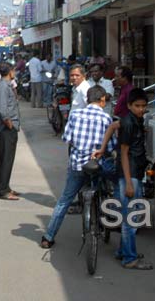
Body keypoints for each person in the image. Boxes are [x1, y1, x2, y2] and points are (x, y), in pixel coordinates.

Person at [41, 85, 117, 249]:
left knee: (64, 200)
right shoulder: (106, 119)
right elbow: (111, 146)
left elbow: (67, 138)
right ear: (102, 100)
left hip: (77, 166)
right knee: (112, 184)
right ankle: (110, 214)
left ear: (87, 100)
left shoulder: (75, 115)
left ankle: (48, 237)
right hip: (98, 165)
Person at [113, 89, 153, 269]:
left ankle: (123, 251)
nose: (141, 109)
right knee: (131, 219)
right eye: (137, 106)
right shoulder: (128, 123)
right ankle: (130, 258)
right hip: (129, 175)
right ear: (129, 106)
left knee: (130, 216)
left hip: (136, 172)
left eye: (144, 106)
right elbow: (123, 153)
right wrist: (128, 182)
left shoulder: (136, 120)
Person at [0, 61, 21, 200]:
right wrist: (9, 124)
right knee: (6, 159)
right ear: (9, 71)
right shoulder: (3, 87)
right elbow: (3, 110)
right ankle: (3, 190)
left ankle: (6, 186)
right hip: (6, 128)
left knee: (7, 159)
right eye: (13, 70)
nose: (14, 73)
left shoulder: (6, 86)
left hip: (9, 127)